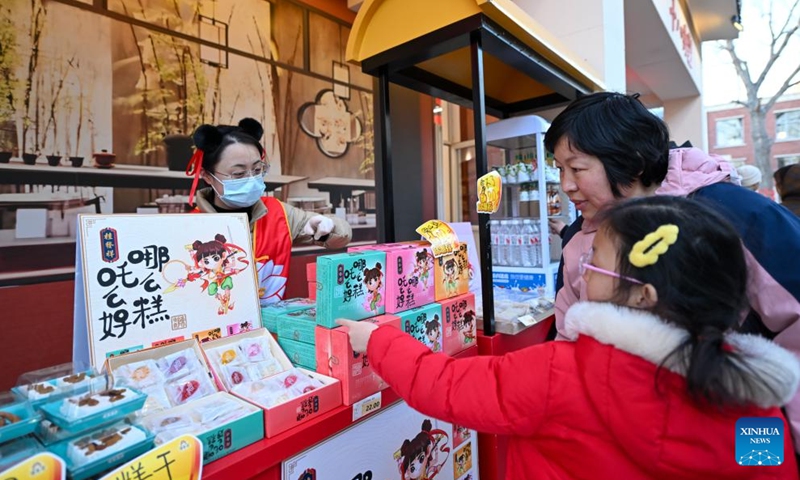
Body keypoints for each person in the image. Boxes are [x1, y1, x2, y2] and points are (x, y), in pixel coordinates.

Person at [339, 196, 800, 479]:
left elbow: (445, 385)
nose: (583, 267)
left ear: (643, 295)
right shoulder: (757, 405)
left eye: (596, 258)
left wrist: (377, 340)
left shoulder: (561, 372)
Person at [545, 92, 800, 453]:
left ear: (631, 163)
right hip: (627, 445)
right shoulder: (577, 238)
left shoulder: (734, 214)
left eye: (577, 168)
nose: (566, 185)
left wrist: (771, 450)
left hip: (728, 437)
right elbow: (566, 337)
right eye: (559, 169)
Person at [186, 118, 352, 306]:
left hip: (270, 330)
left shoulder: (278, 212)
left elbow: (342, 236)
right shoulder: (188, 228)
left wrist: (327, 227)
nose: (251, 179)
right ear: (207, 176)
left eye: (257, 170)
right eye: (239, 174)